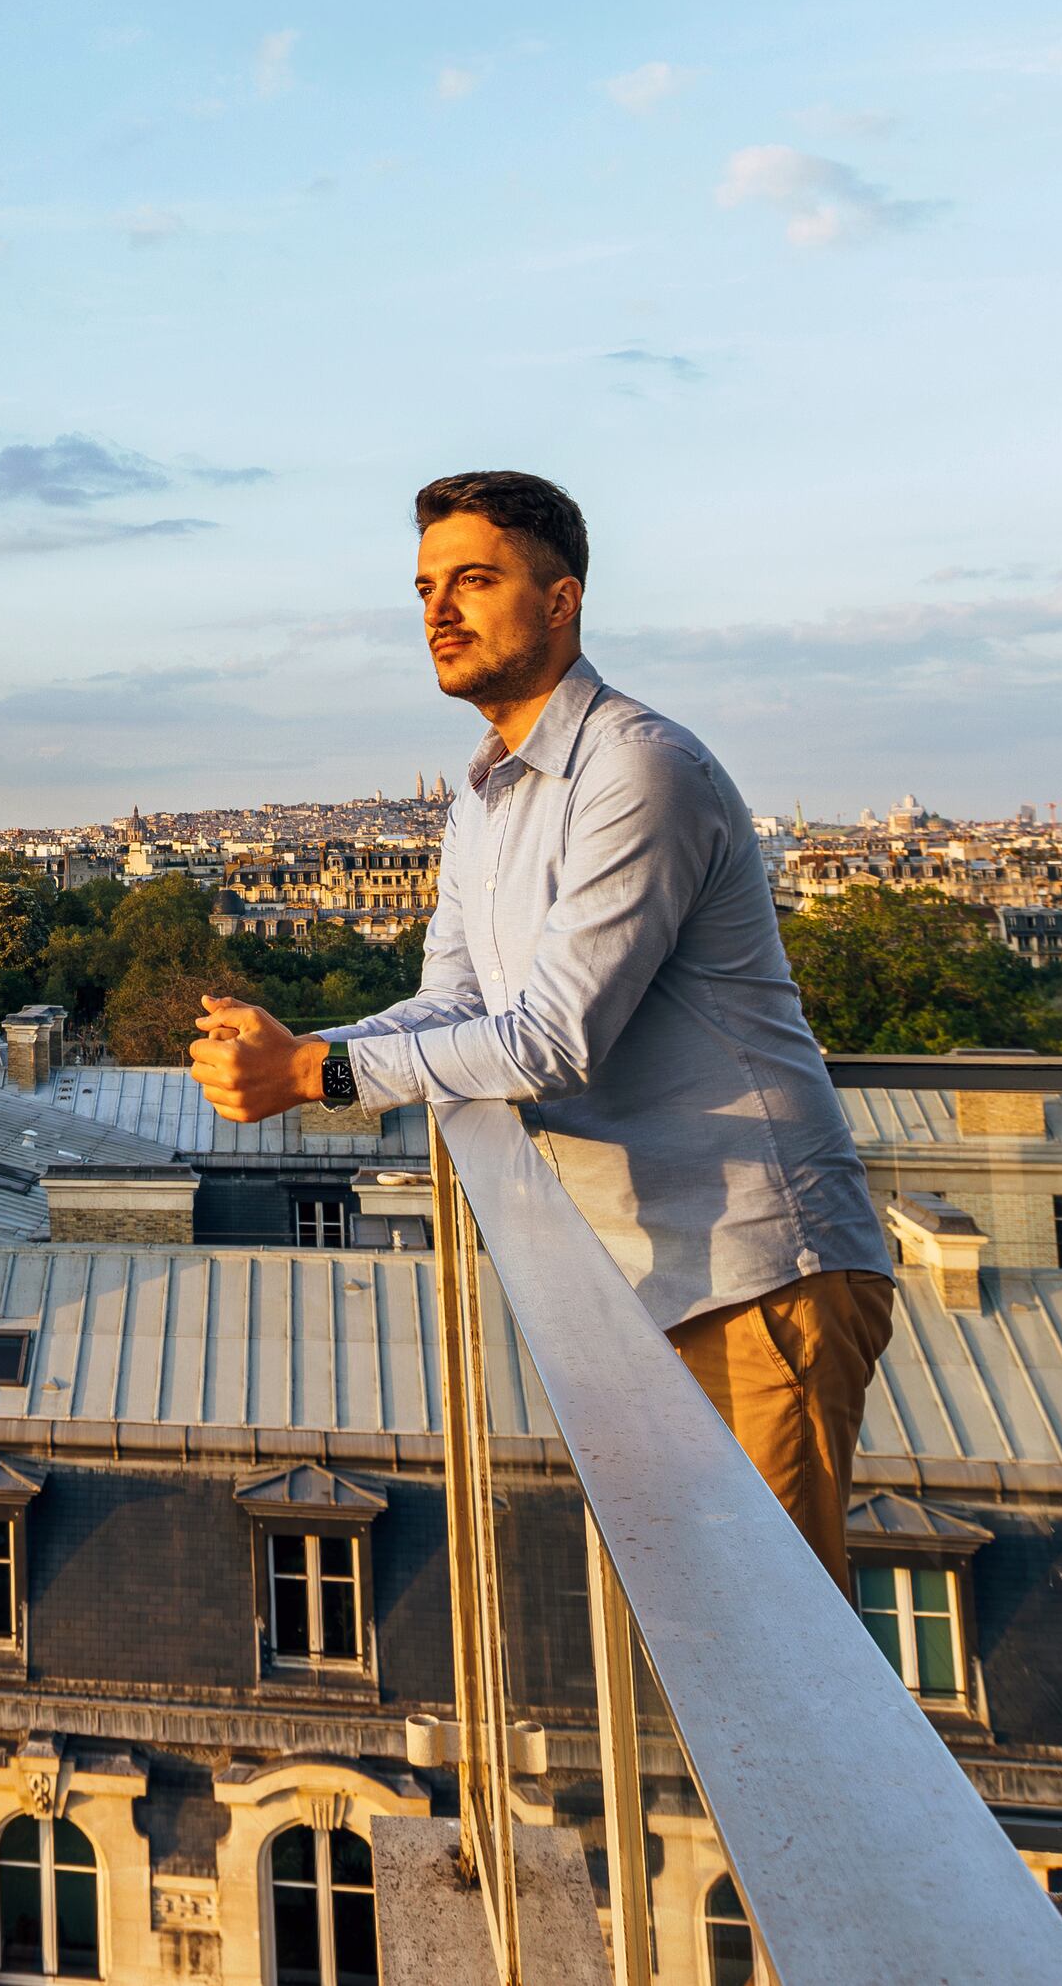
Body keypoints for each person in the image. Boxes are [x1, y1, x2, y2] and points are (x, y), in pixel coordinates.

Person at [191, 468, 896, 1572]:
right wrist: (300, 1046)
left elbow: (554, 1041)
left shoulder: (637, 768)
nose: (437, 609)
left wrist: (316, 1075)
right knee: (707, 1625)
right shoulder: (484, 791)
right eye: (424, 585)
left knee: (777, 1643)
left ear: (561, 598)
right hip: (643, 1267)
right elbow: (456, 1000)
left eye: (472, 578)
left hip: (759, 1267)